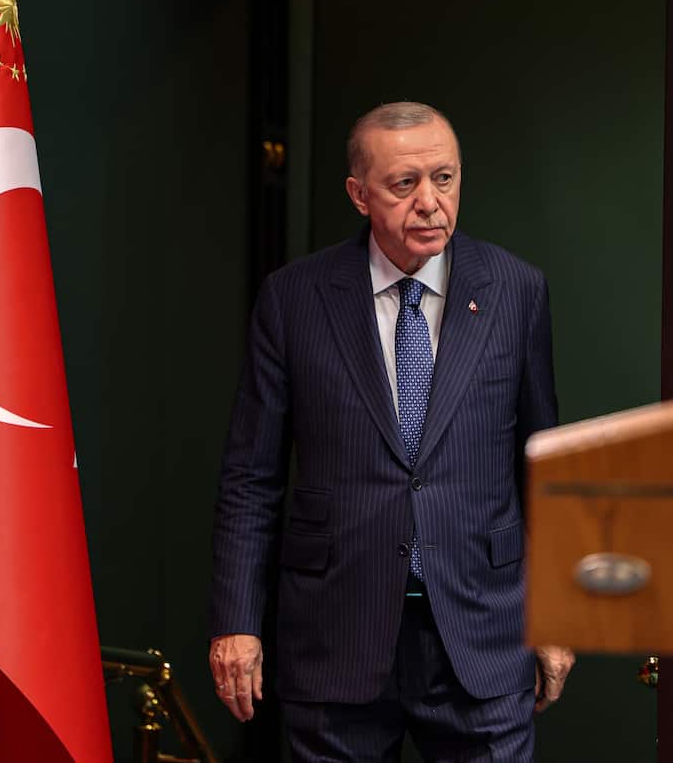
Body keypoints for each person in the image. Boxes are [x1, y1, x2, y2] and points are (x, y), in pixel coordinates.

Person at [208, 102, 575, 761]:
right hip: (336, 634)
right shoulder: (294, 299)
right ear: (359, 194)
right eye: (405, 184)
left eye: (445, 177)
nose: (431, 202)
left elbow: (544, 467)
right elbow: (251, 476)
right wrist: (238, 621)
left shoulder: (517, 291)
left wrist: (557, 615)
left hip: (481, 632)